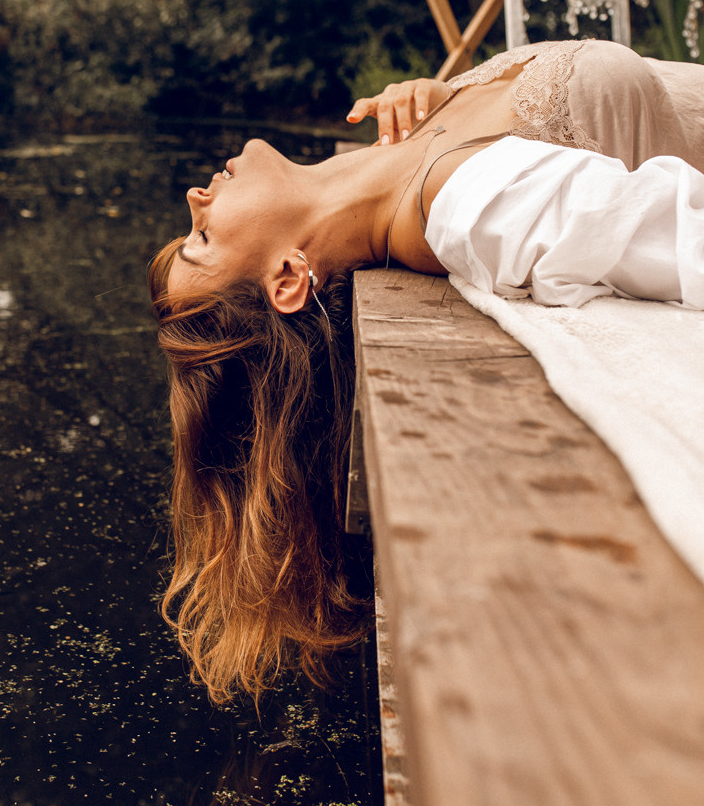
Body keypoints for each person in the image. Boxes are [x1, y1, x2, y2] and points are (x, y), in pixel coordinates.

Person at [149, 39, 704, 703]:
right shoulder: (475, 206)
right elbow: (684, 240)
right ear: (289, 277)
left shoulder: (394, 161)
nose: (196, 196)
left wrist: (449, 101)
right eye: (202, 238)